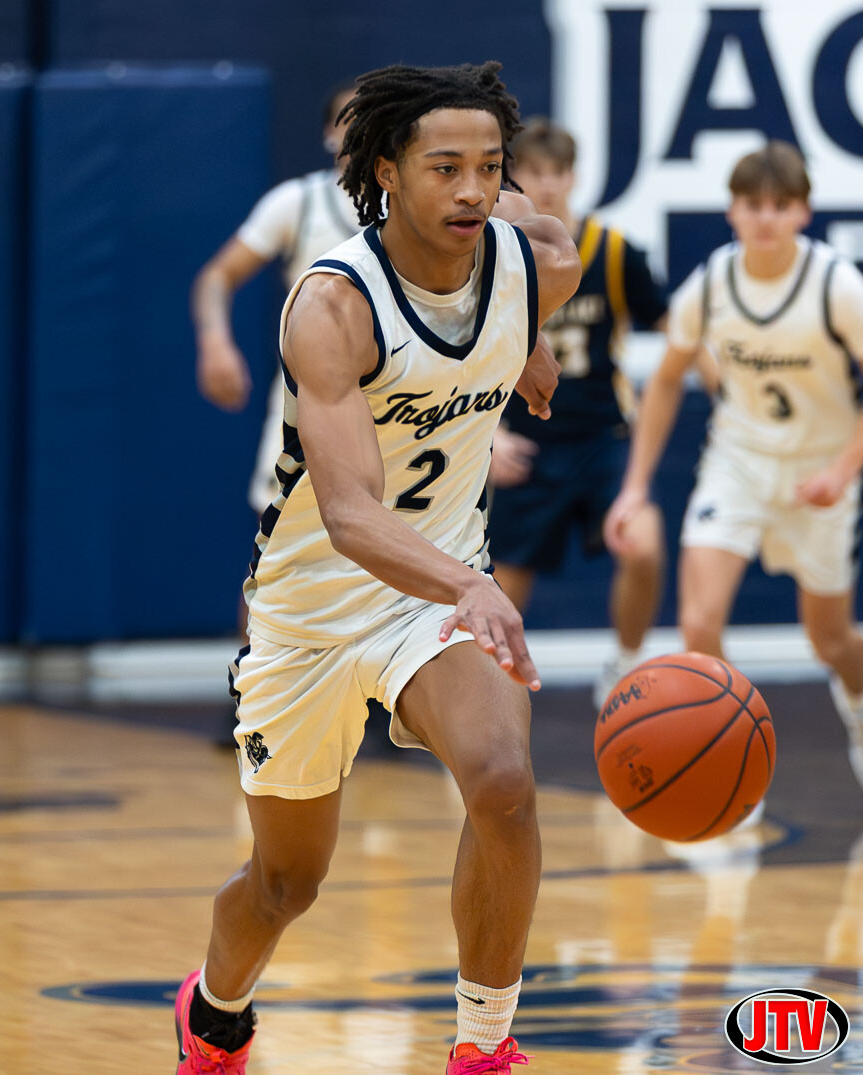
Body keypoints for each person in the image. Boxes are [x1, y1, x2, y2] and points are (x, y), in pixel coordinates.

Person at [173, 62, 579, 1074]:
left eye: (490, 167)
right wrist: (472, 586)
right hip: (313, 608)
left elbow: (543, 244)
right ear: (387, 172)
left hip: (431, 597)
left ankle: (483, 1044)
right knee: (287, 883)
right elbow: (352, 515)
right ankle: (215, 1013)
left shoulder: (532, 260)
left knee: (503, 782)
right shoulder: (332, 305)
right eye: (446, 168)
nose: (474, 190)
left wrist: (524, 332)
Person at [605, 139, 863, 791]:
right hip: (738, 464)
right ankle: (732, 761)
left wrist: (842, 471)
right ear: (732, 211)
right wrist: (635, 487)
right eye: (753, 204)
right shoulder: (713, 283)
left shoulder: (837, 285)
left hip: (820, 472)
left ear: (803, 212)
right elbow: (667, 379)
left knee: (830, 641)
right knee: (698, 623)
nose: (766, 217)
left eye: (781, 205)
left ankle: (859, 709)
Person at [487, 118, 671, 707]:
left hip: (601, 437)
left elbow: (680, 333)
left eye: (557, 172)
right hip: (526, 442)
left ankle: (625, 664)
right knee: (499, 594)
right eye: (534, 172)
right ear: (515, 179)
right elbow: (461, 356)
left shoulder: (614, 252)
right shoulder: (492, 255)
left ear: (573, 177)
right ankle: (488, 702)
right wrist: (489, 437)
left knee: (644, 544)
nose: (547, 184)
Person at [193, 84, 359, 515]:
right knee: (278, 542)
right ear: (329, 133)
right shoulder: (299, 202)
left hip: (398, 396)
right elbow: (216, 276)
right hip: (308, 395)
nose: (362, 128)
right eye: (349, 118)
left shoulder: (416, 206)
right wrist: (215, 342)